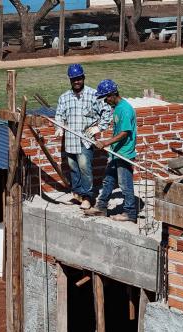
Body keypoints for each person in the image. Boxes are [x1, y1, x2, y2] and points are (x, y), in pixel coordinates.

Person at [54, 64, 112, 210]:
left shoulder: (94, 95)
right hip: (70, 140)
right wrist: (59, 127)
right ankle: (77, 194)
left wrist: (99, 127)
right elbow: (59, 115)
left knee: (85, 168)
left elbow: (107, 111)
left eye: (79, 78)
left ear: (83, 77)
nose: (77, 81)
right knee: (73, 168)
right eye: (74, 79)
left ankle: (87, 197)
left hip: (85, 140)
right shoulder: (64, 98)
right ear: (70, 80)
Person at [85, 79, 139, 223]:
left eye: (106, 98)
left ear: (113, 94)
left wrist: (105, 143)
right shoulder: (117, 108)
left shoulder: (125, 109)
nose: (105, 101)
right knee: (108, 180)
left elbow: (124, 133)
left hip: (124, 153)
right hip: (116, 152)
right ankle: (101, 207)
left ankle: (130, 213)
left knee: (125, 184)